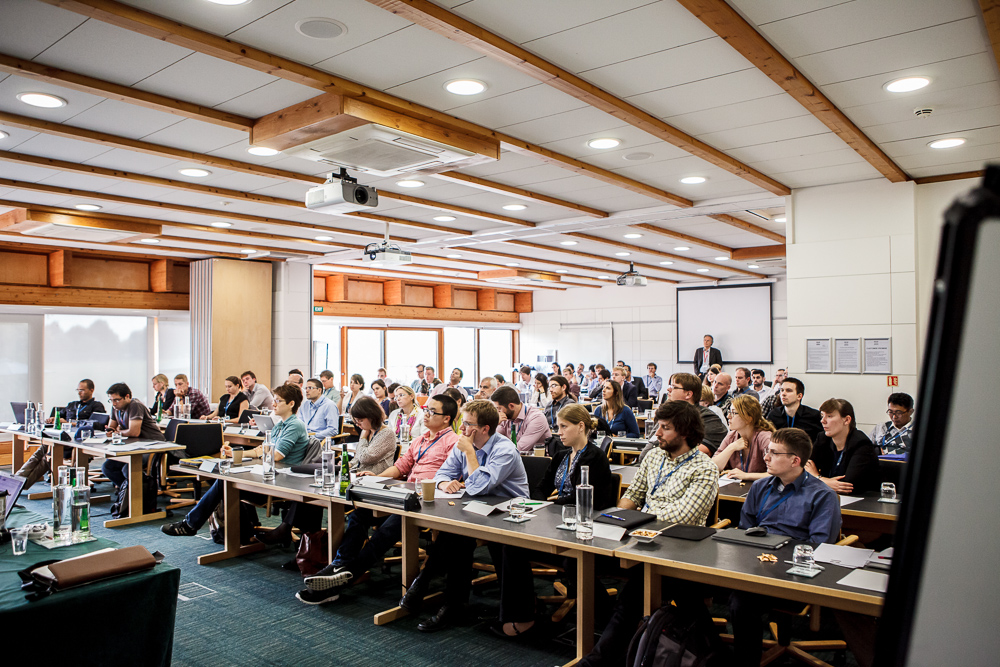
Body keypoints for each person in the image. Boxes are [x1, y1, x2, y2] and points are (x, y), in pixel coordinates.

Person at [581, 401, 719, 666]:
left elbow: (684, 517)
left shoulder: (704, 468)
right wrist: (619, 517)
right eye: (658, 425)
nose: (657, 432)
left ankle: (598, 660)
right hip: (640, 540)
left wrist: (636, 521)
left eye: (665, 428)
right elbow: (634, 493)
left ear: (685, 432)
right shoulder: (654, 456)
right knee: (579, 560)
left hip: (679, 548)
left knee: (635, 593)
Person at [296, 395, 461, 605]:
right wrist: (378, 477)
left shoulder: (453, 442)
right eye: (426, 409)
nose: (425, 414)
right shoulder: (419, 440)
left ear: (446, 418)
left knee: (386, 531)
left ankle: (343, 579)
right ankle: (339, 565)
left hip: (428, 500)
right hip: (405, 492)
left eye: (431, 411)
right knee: (359, 514)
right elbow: (401, 467)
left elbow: (452, 475)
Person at [493, 403, 617, 639]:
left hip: (580, 527)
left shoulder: (595, 456)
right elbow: (540, 487)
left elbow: (590, 500)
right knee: (510, 544)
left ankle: (609, 620)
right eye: (558, 426)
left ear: (581, 427)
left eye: (564, 426)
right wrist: (541, 504)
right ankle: (524, 612)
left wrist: (551, 505)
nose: (558, 432)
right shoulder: (561, 455)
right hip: (553, 522)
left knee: (572, 561)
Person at [411, 400, 529, 633]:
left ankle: (426, 585)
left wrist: (469, 453)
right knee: (454, 535)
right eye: (462, 422)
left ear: (485, 429)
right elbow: (442, 473)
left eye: (468, 424)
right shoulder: (464, 444)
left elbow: (480, 487)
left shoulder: (504, 449)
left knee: (454, 535)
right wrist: (446, 482)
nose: (462, 429)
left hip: (511, 513)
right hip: (479, 510)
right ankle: (454, 604)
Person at [729, 428, 842, 666]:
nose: (766, 457)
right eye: (767, 451)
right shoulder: (760, 487)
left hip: (794, 572)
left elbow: (818, 547)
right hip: (756, 564)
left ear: (795, 460)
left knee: (742, 602)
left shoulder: (822, 496)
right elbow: (745, 530)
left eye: (773, 453)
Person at [162, 384, 309, 537]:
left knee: (224, 481)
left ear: (291, 404)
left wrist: (260, 452)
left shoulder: (295, 425)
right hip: (268, 473)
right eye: (274, 400)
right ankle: (242, 530)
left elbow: (276, 455)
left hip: (280, 482)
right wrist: (235, 453)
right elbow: (262, 450)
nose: (273, 404)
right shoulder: (280, 425)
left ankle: (191, 524)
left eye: (278, 401)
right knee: (222, 479)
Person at [17, 379, 106, 489]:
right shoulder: (72, 405)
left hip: (78, 442)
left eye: (82, 390)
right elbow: (59, 416)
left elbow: (97, 424)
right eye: (78, 390)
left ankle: (23, 485)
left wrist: (70, 423)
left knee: (48, 456)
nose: (79, 393)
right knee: (39, 453)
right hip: (63, 438)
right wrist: (53, 419)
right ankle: (17, 479)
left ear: (91, 390)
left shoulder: (96, 406)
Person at [101, 382, 166, 493]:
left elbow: (134, 432)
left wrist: (117, 432)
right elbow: (112, 427)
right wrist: (110, 431)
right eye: (111, 400)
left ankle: (141, 495)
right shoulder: (115, 407)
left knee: (128, 468)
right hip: (135, 445)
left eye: (116, 400)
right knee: (108, 467)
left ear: (127, 396)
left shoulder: (135, 405)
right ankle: (128, 492)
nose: (113, 404)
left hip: (153, 445)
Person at [807, 398, 881, 495]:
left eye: (829, 416)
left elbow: (847, 486)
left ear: (846, 420)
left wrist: (817, 478)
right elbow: (805, 467)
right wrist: (823, 481)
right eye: (822, 416)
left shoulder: (861, 443)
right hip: (829, 496)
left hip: (861, 501)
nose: (823, 421)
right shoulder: (823, 438)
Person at [648, 373, 726, 456]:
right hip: (647, 463)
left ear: (688, 394)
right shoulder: (668, 415)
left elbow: (703, 451)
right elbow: (651, 441)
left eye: (674, 387)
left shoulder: (707, 418)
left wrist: (657, 458)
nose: (668, 389)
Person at [712, 394, 775, 482]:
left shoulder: (765, 438)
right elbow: (713, 467)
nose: (728, 416)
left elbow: (778, 473)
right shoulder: (731, 435)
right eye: (729, 412)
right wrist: (731, 448)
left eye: (733, 413)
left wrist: (746, 475)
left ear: (748, 419)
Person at [491, 385, 549, 454]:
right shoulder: (503, 418)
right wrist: (495, 424)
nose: (498, 412)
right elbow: (491, 443)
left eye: (499, 408)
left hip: (534, 461)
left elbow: (519, 449)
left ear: (511, 406)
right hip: (510, 458)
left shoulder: (536, 418)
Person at [348, 397, 396, 475]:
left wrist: (363, 438)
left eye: (360, 420)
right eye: (356, 421)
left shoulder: (387, 433)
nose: (357, 424)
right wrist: (350, 464)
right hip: (361, 475)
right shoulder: (368, 431)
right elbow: (358, 456)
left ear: (372, 416)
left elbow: (365, 458)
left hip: (375, 478)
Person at [766, 377, 823, 442]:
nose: (783, 394)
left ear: (799, 396)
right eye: (782, 390)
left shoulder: (814, 416)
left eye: (788, 390)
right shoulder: (774, 414)